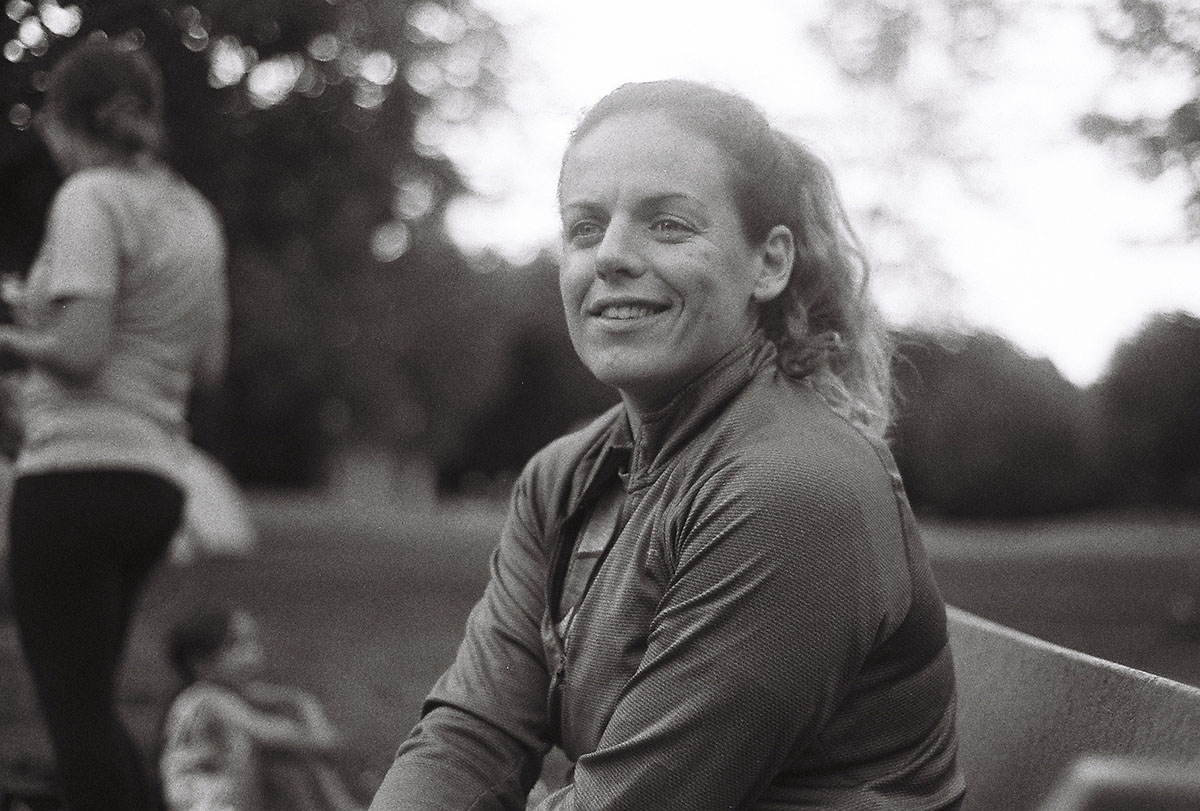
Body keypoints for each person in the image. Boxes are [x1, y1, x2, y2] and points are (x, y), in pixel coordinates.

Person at [368, 79, 965, 810]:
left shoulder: (797, 491)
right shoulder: (562, 477)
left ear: (769, 264)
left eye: (669, 225)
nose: (611, 255)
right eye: (584, 228)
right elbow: (474, 732)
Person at [1, 35, 230, 811]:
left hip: (73, 478)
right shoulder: (194, 212)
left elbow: (82, 350)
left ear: (65, 122)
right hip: (154, 485)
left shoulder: (88, 197)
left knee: (76, 720)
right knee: (91, 710)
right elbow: (208, 365)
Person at [160, 608, 365, 811]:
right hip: (206, 801)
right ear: (201, 663)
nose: (253, 655)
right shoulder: (208, 697)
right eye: (237, 645)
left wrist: (305, 705)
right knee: (290, 753)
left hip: (221, 795)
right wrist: (320, 738)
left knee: (291, 759)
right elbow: (272, 733)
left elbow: (289, 700)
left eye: (253, 642)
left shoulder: (219, 693)